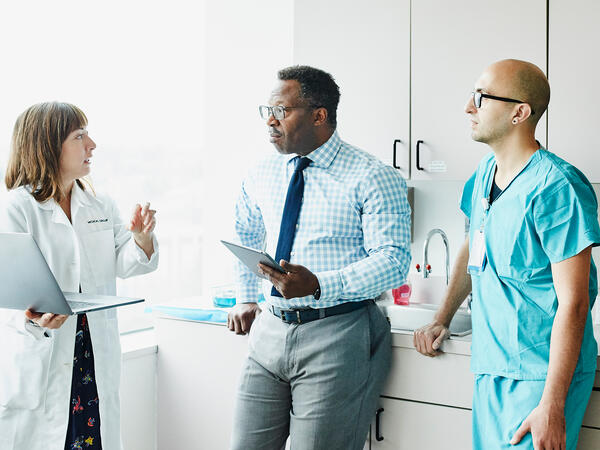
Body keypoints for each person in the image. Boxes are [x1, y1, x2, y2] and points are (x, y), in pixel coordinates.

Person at [413, 59, 600, 449]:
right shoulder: (485, 174)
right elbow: (472, 248)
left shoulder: (557, 187)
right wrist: (441, 318)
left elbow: (575, 303)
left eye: (480, 97)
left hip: (539, 376)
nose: (468, 107)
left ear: (519, 112)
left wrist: (552, 403)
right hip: (491, 365)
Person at [226, 65, 411, 450]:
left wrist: (320, 285)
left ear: (319, 114)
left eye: (282, 110)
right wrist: (245, 296)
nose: (271, 121)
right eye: (267, 110)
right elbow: (244, 232)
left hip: (337, 333)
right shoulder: (261, 172)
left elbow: (393, 260)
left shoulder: (373, 176)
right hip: (269, 332)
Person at [0, 102, 159, 450]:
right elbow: (8, 293)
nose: (92, 145)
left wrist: (142, 239)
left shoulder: (99, 204)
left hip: (91, 349)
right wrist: (35, 319)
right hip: (44, 349)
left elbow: (126, 262)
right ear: (48, 145)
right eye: (80, 136)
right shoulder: (16, 209)